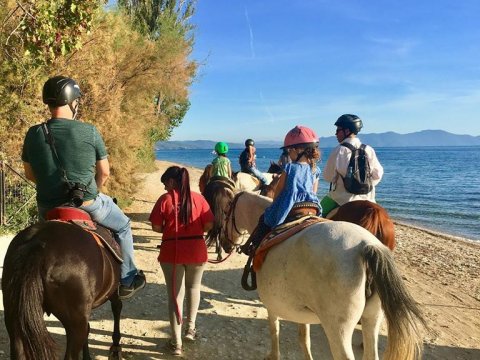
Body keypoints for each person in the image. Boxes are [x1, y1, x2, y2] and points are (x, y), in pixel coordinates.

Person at [21, 75, 146, 300]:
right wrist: (93, 192)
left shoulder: (33, 133)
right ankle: (128, 278)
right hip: (88, 203)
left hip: (48, 207)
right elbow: (105, 172)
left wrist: (51, 186)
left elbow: (30, 175)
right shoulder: (89, 131)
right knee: (124, 226)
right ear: (72, 101)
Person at [149, 166, 214, 357]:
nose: (164, 189)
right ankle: (190, 329)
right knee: (194, 288)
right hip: (196, 250)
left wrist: (169, 229)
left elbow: (155, 227)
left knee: (175, 295)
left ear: (171, 182)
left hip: (172, 251)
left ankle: (176, 342)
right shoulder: (199, 199)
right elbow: (209, 224)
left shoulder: (165, 199)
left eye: (165, 184)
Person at [241, 126, 321, 255]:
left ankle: (256, 249)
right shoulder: (315, 169)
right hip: (312, 206)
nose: (288, 153)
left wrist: (275, 205)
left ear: (298, 150)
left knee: (265, 219)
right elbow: (314, 192)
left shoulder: (289, 168)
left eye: (289, 150)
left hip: (290, 206)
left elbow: (278, 192)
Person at [320, 114, 384, 218]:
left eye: (338, 130)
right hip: (368, 199)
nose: (336, 133)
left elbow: (328, 177)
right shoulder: (368, 149)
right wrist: (363, 185)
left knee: (317, 213)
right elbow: (378, 174)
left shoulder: (339, 150)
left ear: (347, 131)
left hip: (341, 199)